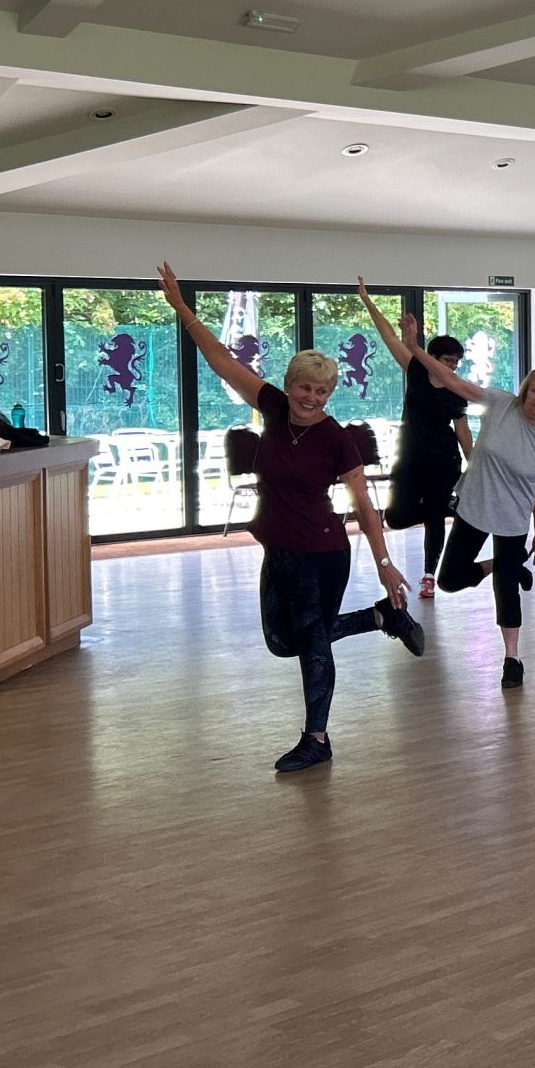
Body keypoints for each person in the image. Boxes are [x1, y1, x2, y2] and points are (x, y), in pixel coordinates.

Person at [163, 263, 423, 774]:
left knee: (309, 644)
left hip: (322, 552)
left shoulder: (335, 439)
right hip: (278, 547)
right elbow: (220, 361)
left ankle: (317, 738)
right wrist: (181, 308)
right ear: (291, 385)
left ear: (329, 395)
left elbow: (364, 507)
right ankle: (379, 618)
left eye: (321, 392)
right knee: (281, 641)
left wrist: (387, 563)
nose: (311, 398)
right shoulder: (274, 408)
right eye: (305, 388)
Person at [410, 339, 535, 690]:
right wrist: (416, 350)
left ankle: (512, 659)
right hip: (475, 506)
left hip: (513, 520)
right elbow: (454, 383)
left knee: (506, 590)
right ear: (525, 391)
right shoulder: (500, 403)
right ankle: (501, 564)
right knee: (449, 579)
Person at [354, 281, 471, 598]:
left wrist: (475, 466)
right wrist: (367, 301)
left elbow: (462, 431)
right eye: (447, 360)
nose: (452, 367)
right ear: (432, 357)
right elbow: (389, 336)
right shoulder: (416, 369)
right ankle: (446, 507)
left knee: (434, 520)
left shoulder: (457, 389)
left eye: (456, 362)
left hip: (443, 461)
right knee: (396, 516)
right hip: (410, 458)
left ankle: (429, 575)